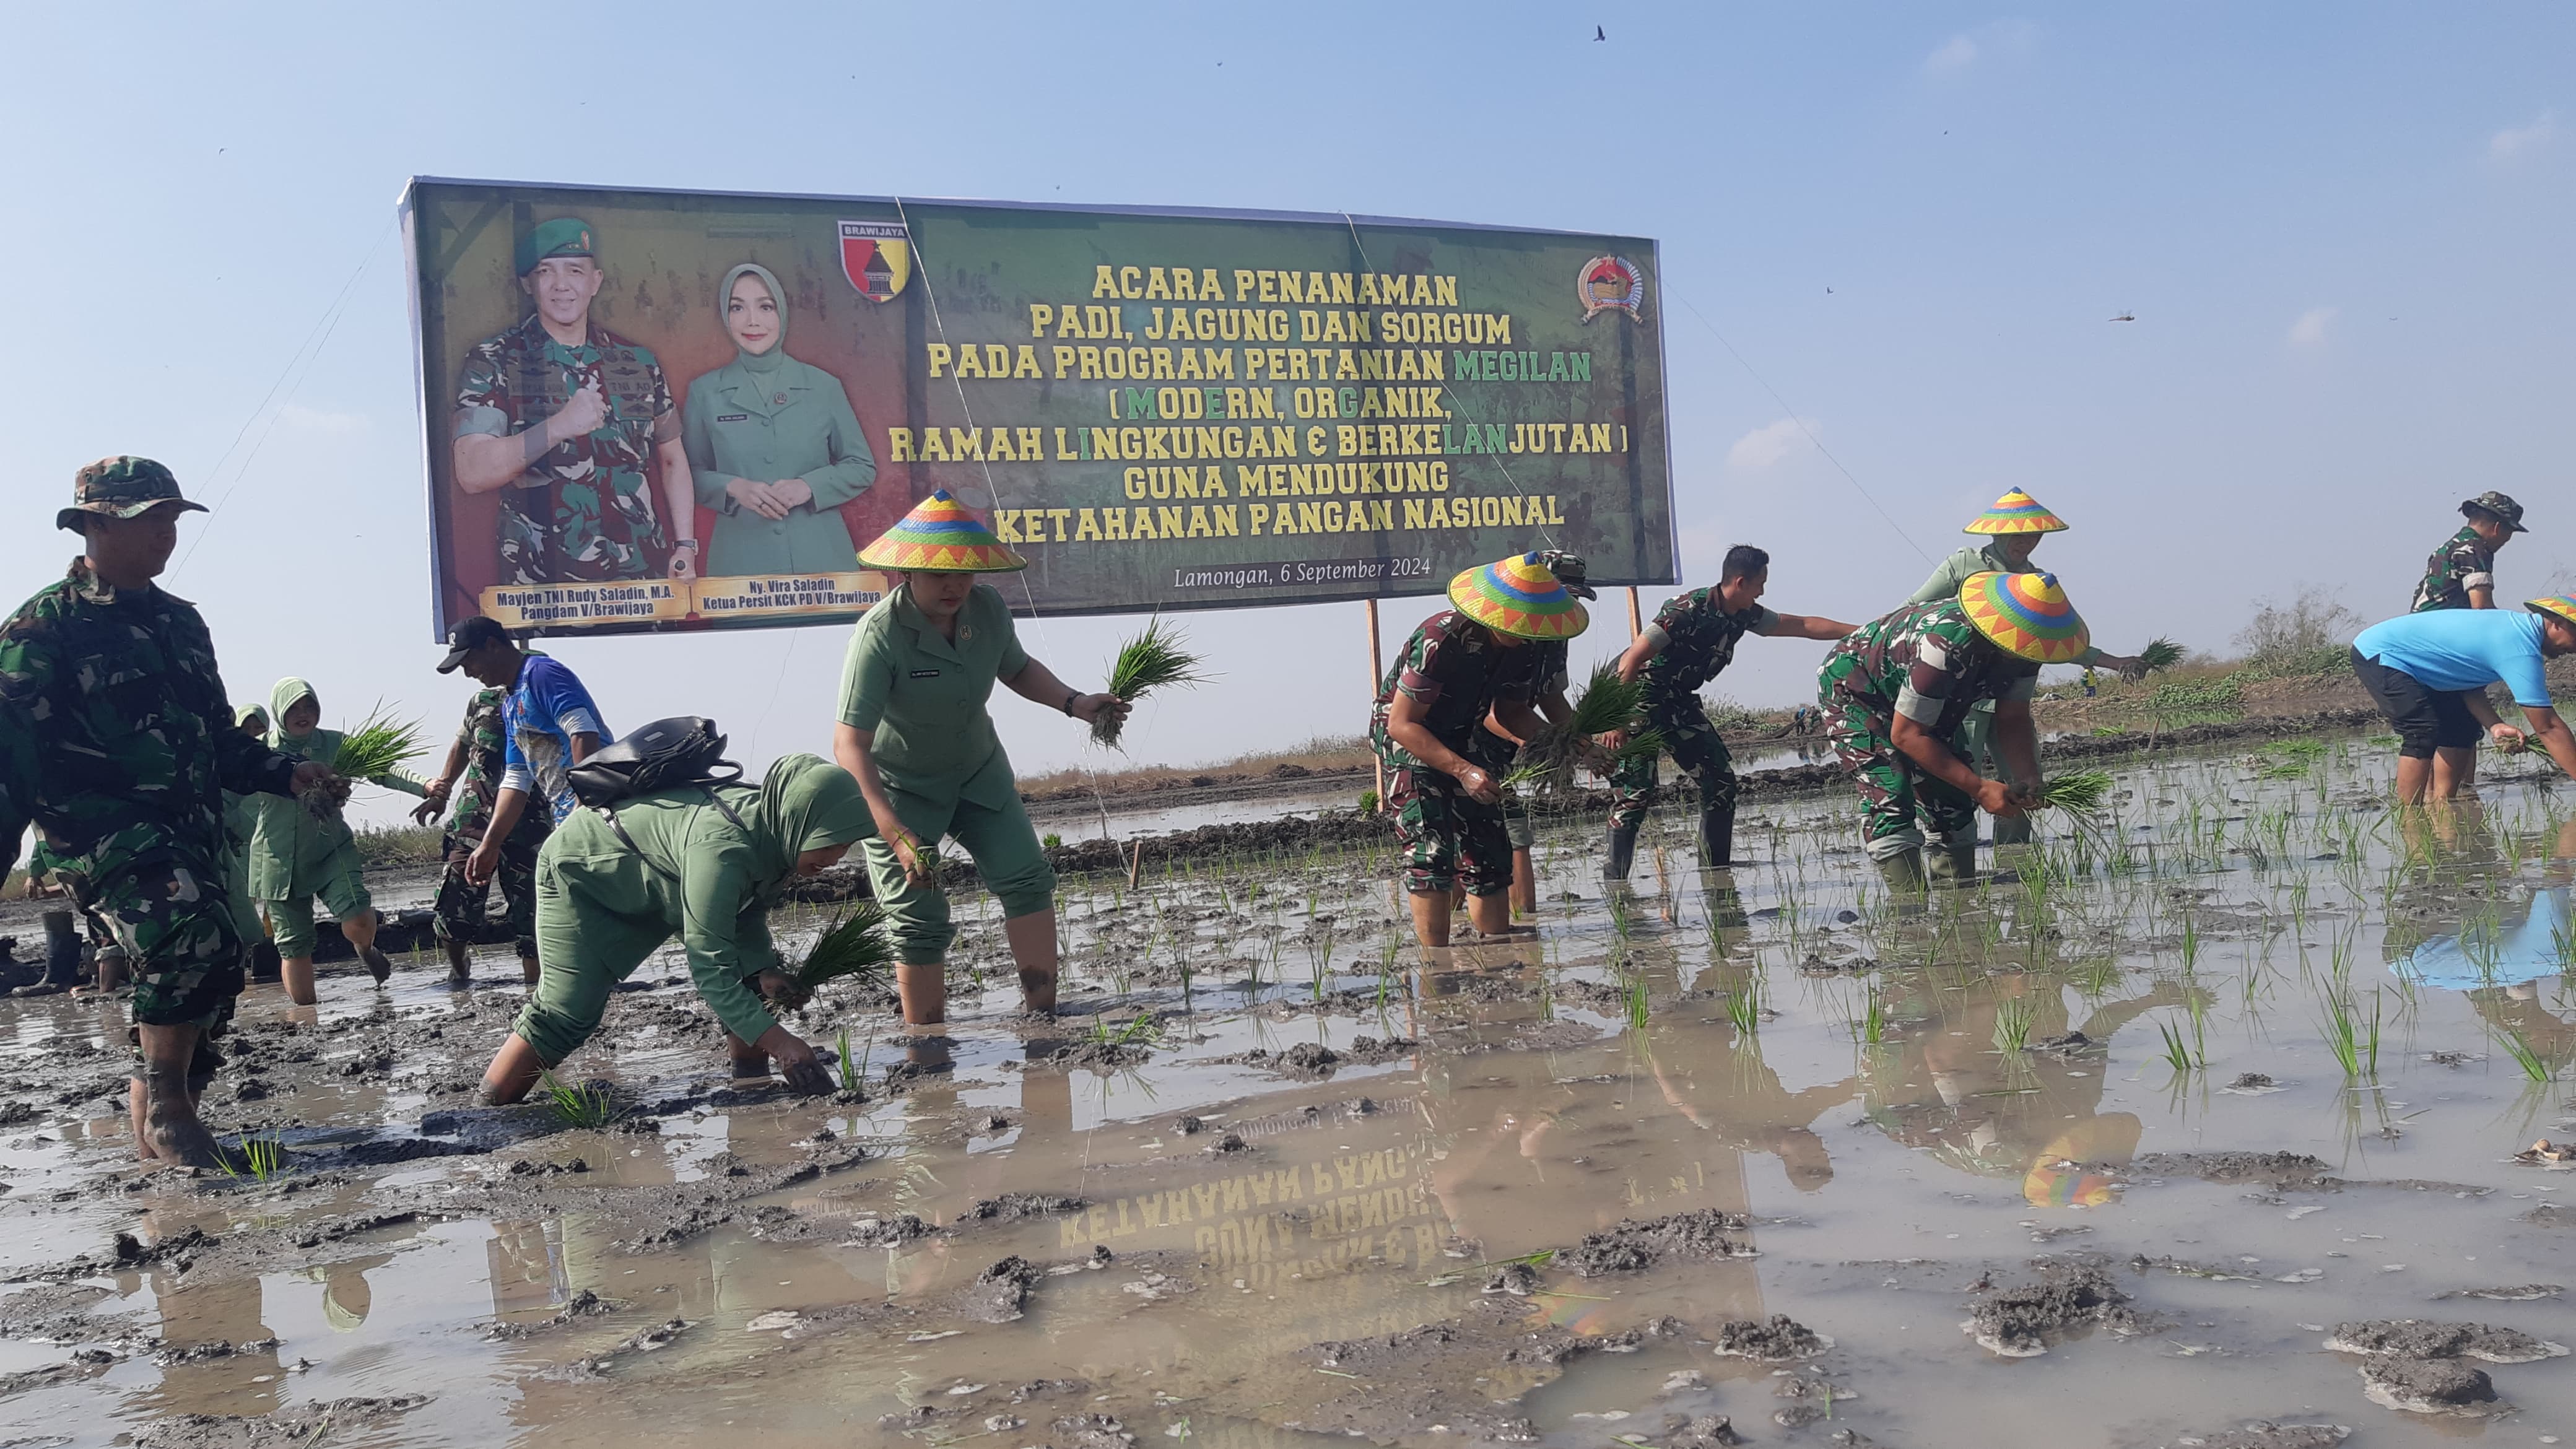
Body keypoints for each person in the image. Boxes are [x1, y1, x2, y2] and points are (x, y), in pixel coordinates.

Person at [0, 456, 329, 1167]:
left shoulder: (182, 625)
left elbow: (215, 736)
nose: (164, 535)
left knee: (215, 966)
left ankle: (158, 1133)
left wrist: (286, 770)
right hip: (97, 832)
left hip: (190, 829)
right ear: (94, 524)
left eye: (170, 520)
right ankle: (172, 1107)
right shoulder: (41, 629)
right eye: (146, 520)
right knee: (191, 937)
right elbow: (8, 759)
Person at [832, 490, 1129, 1025]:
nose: (955, 585)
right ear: (908, 573)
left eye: (964, 574)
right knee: (916, 917)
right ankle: (927, 1044)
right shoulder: (877, 637)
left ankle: (1043, 1013)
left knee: (1028, 880)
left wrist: (1075, 703)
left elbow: (1014, 668)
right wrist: (895, 833)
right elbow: (849, 743)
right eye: (941, 574)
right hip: (903, 791)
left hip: (978, 774)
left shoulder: (987, 609)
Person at [477, 754, 874, 1103]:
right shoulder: (722, 849)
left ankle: (752, 1085)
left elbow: (745, 915)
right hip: (585, 874)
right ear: (799, 820)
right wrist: (785, 1045)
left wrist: (762, 971)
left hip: (659, 878)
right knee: (566, 1013)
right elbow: (710, 970)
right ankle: (491, 1108)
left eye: (842, 846)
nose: (836, 858)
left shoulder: (777, 835)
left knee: (749, 977)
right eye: (829, 844)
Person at [450, 217, 701, 586]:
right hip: (543, 585)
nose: (562, 285)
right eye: (545, 272)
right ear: (527, 284)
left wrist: (685, 546)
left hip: (638, 577)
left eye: (575, 270)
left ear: (595, 281)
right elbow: (472, 471)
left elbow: (672, 458)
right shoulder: (495, 359)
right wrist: (557, 428)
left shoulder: (637, 362)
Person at [1820, 571, 2089, 892]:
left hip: (1933, 703)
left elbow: (2013, 717)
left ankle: (1958, 907)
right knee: (1891, 791)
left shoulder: (2028, 649)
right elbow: (1907, 735)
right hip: (1859, 689)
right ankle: (1911, 913)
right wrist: (1980, 787)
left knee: (1953, 801)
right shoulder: (1946, 643)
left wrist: (2028, 777)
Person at [1904, 489, 2145, 845]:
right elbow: (1912, 612)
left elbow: (2055, 642)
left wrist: (2114, 662)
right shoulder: (1963, 565)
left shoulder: (2037, 582)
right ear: (1997, 533)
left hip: (2010, 696)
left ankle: (2015, 869)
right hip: (1961, 701)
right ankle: (1955, 866)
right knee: (1958, 789)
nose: (2026, 543)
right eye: (2017, 535)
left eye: (2033, 535)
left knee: (2026, 787)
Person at [1373, 553, 1589, 949]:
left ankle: (1498, 956)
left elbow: (1511, 712)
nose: (1525, 632)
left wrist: (1571, 745)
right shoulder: (1441, 637)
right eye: (1520, 622)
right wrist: (1463, 771)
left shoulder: (1523, 645)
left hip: (1465, 735)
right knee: (1431, 851)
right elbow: (1402, 723)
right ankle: (1435, 967)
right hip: (1410, 743)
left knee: (1491, 852)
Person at [1603, 545, 1854, 878]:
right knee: (1634, 797)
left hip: (1679, 701)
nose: (1763, 590)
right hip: (1640, 699)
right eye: (1760, 583)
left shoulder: (1744, 613)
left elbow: (1802, 625)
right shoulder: (1684, 611)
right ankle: (1616, 886)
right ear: (1740, 582)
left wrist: (1859, 632)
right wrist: (1617, 721)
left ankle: (1716, 875)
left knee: (1720, 784)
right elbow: (1630, 660)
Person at [682, 263, 879, 576]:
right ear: (725, 316)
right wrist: (733, 487)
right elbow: (687, 474)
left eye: (765, 307)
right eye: (737, 307)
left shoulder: (823, 386)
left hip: (821, 559)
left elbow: (861, 466)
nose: (752, 321)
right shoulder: (705, 392)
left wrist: (809, 486)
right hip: (741, 563)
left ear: (782, 313)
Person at [248, 679, 432, 1005]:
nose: (303, 714)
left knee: (360, 917)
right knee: (294, 945)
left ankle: (365, 948)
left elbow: (384, 770)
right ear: (279, 712)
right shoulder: (259, 752)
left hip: (331, 850)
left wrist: (425, 785)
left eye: (310, 707)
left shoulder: (337, 745)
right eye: (294, 708)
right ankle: (307, 1019)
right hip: (278, 860)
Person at [435, 617, 612, 888]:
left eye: (468, 661)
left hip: (599, 812)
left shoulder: (541, 673)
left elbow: (583, 731)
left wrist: (583, 806)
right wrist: (490, 844)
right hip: (567, 817)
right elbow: (517, 780)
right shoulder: (510, 702)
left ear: (492, 646)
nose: (468, 673)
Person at [2348, 595, 2576, 804]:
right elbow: (2548, 727)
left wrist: (2495, 726)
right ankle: (2410, 819)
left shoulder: (2514, 631)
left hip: (2427, 667)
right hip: (2382, 653)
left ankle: (2444, 805)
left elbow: (2469, 688)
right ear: (2557, 623)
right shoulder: (2520, 648)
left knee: (2463, 727)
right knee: (2422, 730)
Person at [1465, 549, 1593, 920]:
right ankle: (1524, 923)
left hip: (1512, 739)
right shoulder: (1507, 628)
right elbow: (1493, 712)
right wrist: (1547, 746)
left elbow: (1552, 700)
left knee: (1496, 831)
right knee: (1508, 827)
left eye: (1576, 598)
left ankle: (1513, 920)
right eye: (1565, 596)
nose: (1569, 605)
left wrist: (1582, 744)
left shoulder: (1555, 636)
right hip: (1470, 741)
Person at [413, 673, 549, 987]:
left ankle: (536, 988)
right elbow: (462, 744)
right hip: (474, 819)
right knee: (454, 903)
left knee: (532, 906)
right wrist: (441, 792)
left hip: (530, 822)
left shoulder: (544, 704)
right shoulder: (483, 703)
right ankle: (460, 971)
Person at [224, 705, 281, 984]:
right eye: (248, 729)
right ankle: (240, 970)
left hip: (271, 847)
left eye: (260, 729)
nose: (255, 735)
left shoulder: (270, 763)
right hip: (241, 850)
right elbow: (227, 809)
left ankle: (267, 971)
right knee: (243, 913)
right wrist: (247, 833)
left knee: (274, 907)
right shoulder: (233, 767)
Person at [2411, 490, 2528, 614]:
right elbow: (2482, 608)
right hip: (2438, 629)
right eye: (2509, 533)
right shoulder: (2474, 549)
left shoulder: (2448, 548)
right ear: (2497, 528)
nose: (2507, 540)